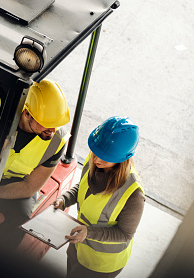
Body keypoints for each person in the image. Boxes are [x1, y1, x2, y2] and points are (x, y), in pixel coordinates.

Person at [0, 79, 70, 249]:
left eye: (56, 124)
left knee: (21, 216)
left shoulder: (57, 141)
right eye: (47, 124)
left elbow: (30, 187)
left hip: (16, 181)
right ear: (27, 113)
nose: (52, 130)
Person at [53, 116, 145, 278]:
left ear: (121, 159)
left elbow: (125, 234)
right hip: (77, 246)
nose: (95, 159)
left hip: (101, 264)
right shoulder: (96, 157)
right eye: (96, 152)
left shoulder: (133, 195)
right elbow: (83, 188)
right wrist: (64, 199)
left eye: (104, 156)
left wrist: (88, 233)